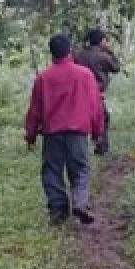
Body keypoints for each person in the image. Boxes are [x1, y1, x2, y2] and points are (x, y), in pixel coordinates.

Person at [24, 34, 103, 226]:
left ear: (51, 53)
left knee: (52, 171)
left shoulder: (44, 78)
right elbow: (95, 105)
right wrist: (97, 131)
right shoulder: (84, 75)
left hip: (52, 134)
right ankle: (80, 202)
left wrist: (31, 135)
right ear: (70, 50)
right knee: (81, 170)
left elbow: (35, 109)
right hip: (77, 133)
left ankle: (58, 210)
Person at [74, 28, 121, 155]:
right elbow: (116, 68)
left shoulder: (78, 54)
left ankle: (81, 147)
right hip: (96, 94)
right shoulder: (103, 56)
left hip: (79, 93)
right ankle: (101, 147)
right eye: (105, 40)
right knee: (103, 119)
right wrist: (111, 52)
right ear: (101, 41)